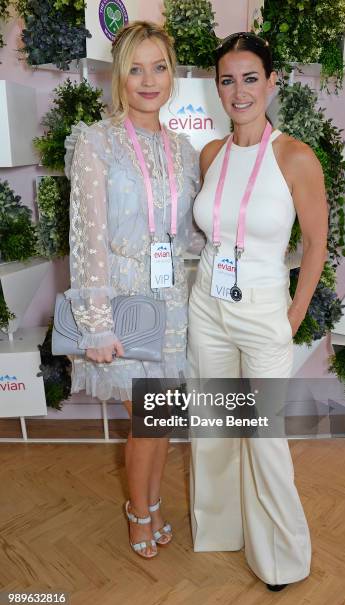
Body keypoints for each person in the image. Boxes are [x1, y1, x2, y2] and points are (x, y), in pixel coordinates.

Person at [187, 32, 328, 590]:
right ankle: (220, 529)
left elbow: (316, 244)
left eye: (251, 78)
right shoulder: (212, 154)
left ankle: (281, 559)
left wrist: (292, 316)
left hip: (265, 310)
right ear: (217, 87)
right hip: (208, 307)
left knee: (263, 435)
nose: (239, 91)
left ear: (272, 82)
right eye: (228, 79)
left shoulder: (295, 156)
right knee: (215, 425)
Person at [64, 21, 201, 559]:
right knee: (147, 420)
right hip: (121, 298)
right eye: (136, 69)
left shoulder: (185, 149)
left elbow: (189, 232)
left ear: (172, 76)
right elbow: (87, 237)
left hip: (172, 299)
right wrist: (94, 322)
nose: (149, 80)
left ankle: (152, 502)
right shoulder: (95, 142)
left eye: (159, 67)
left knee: (161, 419)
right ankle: (138, 510)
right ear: (119, 77)